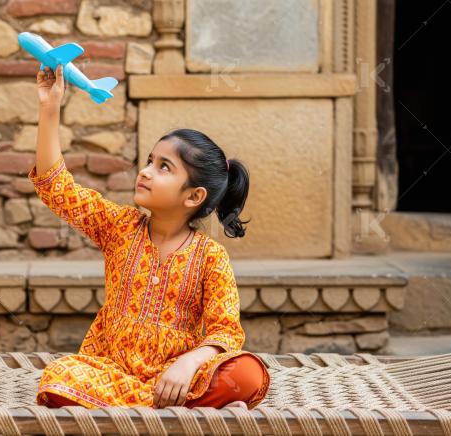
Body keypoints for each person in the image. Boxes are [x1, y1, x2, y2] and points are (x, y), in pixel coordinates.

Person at [29, 64, 270, 409]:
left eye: (163, 167)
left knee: (249, 373)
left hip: (176, 379)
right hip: (111, 374)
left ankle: (162, 404)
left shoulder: (211, 257)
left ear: (194, 196)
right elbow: (57, 188)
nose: (145, 172)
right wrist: (49, 107)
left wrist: (188, 363)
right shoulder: (119, 226)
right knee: (59, 376)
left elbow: (226, 332)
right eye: (149, 161)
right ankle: (181, 410)